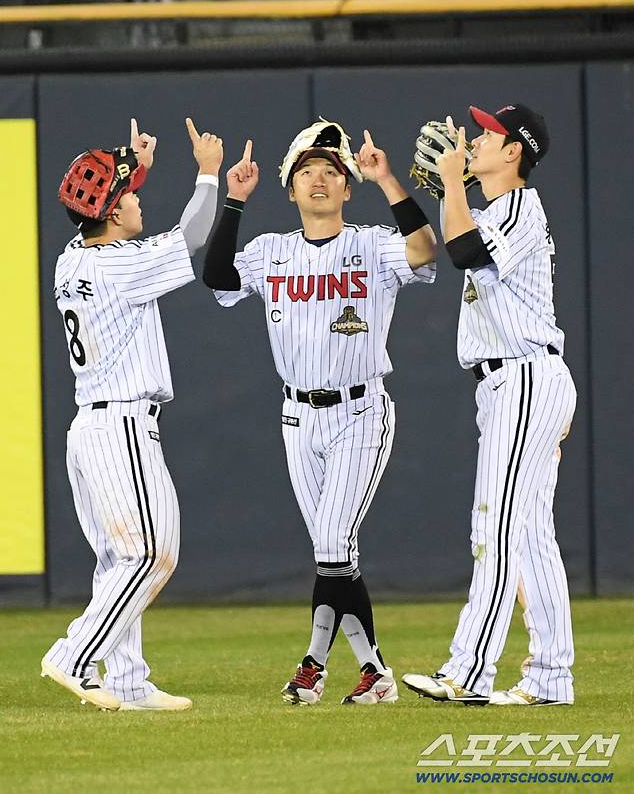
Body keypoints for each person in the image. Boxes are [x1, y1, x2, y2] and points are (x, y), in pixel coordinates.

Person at [202, 119, 437, 705]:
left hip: (360, 410)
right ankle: (375, 673)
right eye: (307, 171)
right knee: (336, 555)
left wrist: (388, 180)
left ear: (346, 188)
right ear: (290, 188)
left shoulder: (370, 242)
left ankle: (311, 663)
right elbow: (216, 276)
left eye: (332, 172)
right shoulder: (272, 252)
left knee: (333, 544)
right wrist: (233, 198)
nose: (319, 180)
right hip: (297, 419)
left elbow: (424, 250)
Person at [41, 118, 223, 711]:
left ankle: (124, 682)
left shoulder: (73, 258)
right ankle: (74, 653)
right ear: (113, 214)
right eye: (132, 194)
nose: (139, 198)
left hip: (91, 426)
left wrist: (131, 164)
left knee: (119, 559)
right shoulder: (119, 264)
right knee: (151, 554)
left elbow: (95, 204)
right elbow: (192, 234)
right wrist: (208, 175)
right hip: (119, 423)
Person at [403, 104, 577, 706]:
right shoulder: (497, 208)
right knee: (529, 536)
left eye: (487, 135)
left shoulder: (521, 207)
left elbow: (464, 253)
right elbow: (453, 238)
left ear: (514, 153)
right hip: (519, 381)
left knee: (496, 527)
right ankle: (551, 677)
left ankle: (469, 672)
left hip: (525, 377)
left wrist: (453, 181)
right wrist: (394, 185)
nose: (474, 141)